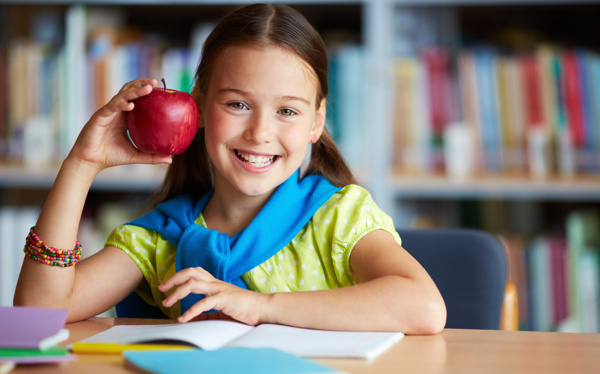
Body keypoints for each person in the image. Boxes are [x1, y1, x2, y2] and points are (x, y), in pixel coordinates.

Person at [14, 3, 446, 335]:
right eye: (238, 104)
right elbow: (39, 314)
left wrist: (261, 307)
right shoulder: (159, 239)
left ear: (316, 122)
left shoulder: (338, 218)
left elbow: (423, 307)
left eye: (287, 111)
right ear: (198, 106)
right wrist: (82, 164)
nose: (260, 132)